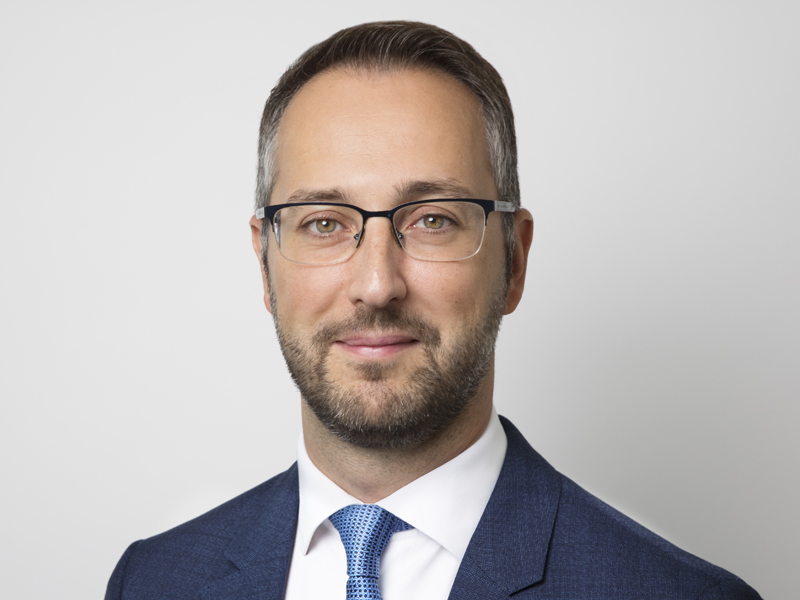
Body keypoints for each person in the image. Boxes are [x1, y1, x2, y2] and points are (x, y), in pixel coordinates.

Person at [105, 21, 761, 600]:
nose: (376, 285)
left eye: (433, 220)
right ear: (264, 264)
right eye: (324, 222)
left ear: (514, 260)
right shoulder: (153, 582)